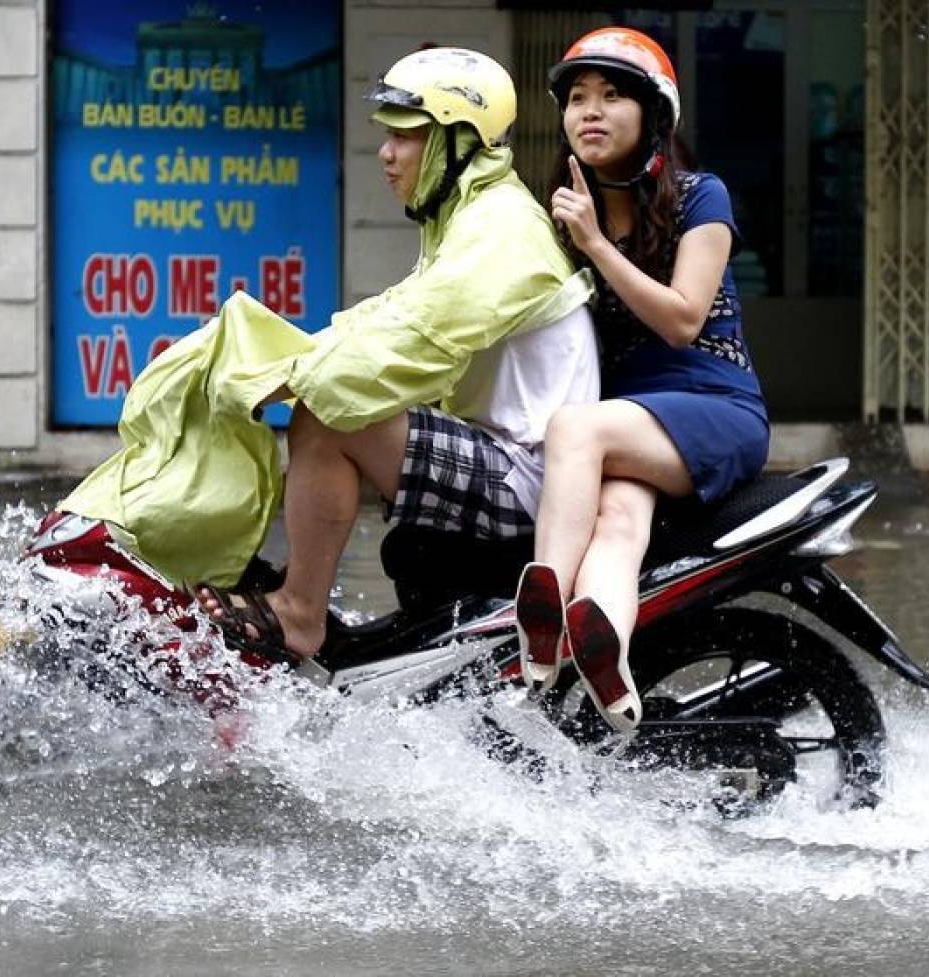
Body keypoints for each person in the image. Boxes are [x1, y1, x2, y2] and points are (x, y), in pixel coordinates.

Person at [195, 46, 599, 661]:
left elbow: (410, 339)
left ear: (456, 142)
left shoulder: (501, 230)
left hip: (531, 479)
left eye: (405, 137)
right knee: (328, 395)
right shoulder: (465, 215)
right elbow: (386, 314)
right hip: (504, 452)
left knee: (331, 416)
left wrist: (294, 381)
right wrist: (285, 361)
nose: (386, 153)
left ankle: (301, 613)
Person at [514, 27, 769, 733]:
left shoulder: (699, 197)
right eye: (577, 99)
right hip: (633, 420)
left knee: (576, 427)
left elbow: (684, 319)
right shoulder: (560, 213)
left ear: (654, 117)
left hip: (714, 405)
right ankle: (610, 671)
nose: (589, 112)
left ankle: (542, 618)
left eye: (612, 96)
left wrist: (595, 244)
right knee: (619, 522)